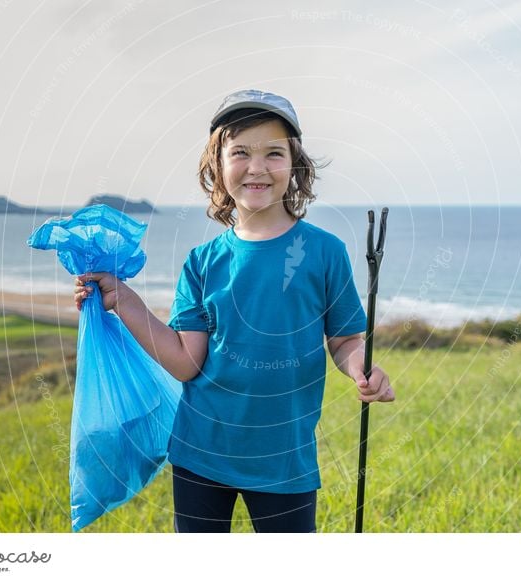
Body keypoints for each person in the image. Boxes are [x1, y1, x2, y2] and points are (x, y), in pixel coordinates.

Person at [74, 89, 394, 533]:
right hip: (200, 452)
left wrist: (362, 368)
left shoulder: (325, 252)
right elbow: (186, 362)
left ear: (295, 165)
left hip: (284, 460)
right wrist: (124, 301)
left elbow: (343, 340)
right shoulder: (202, 262)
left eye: (273, 153)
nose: (257, 167)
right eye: (240, 152)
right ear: (217, 166)